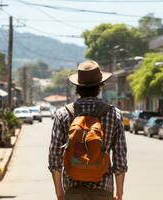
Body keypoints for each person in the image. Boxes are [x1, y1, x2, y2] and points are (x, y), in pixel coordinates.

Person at [48, 60, 128, 200]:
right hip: (103, 190)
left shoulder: (62, 114)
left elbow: (55, 156)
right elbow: (119, 157)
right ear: (100, 86)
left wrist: (59, 191)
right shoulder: (114, 114)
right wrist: (119, 193)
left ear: (77, 87)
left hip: (72, 190)